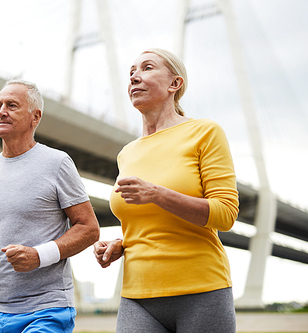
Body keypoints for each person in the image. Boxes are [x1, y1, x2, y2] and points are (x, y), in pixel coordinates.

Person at [93, 48, 239, 332]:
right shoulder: (127, 153)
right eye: (131, 72)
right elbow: (145, 223)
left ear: (175, 84)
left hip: (201, 291)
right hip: (137, 295)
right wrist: (120, 244)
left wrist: (158, 194)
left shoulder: (205, 132)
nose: (135, 77)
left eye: (147, 68)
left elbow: (225, 214)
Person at [0, 79, 100, 333]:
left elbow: (89, 229)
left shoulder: (58, 163)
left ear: (35, 117)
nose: (1, 112)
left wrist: (38, 256)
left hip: (47, 309)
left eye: (11, 105)